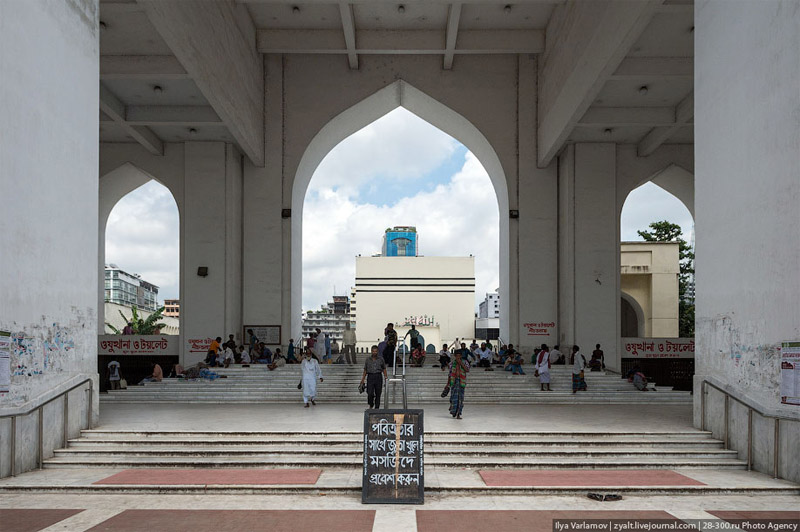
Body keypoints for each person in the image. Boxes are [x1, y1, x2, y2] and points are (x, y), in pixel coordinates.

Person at [446, 349, 470, 419]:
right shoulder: (451, 363)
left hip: (461, 382)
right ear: (455, 356)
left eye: (459, 356)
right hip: (454, 382)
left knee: (460, 399)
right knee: (454, 398)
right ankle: (454, 412)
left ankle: (458, 413)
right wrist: (447, 384)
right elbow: (450, 374)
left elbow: (467, 370)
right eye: (457, 356)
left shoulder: (465, 362)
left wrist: (461, 364)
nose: (458, 357)